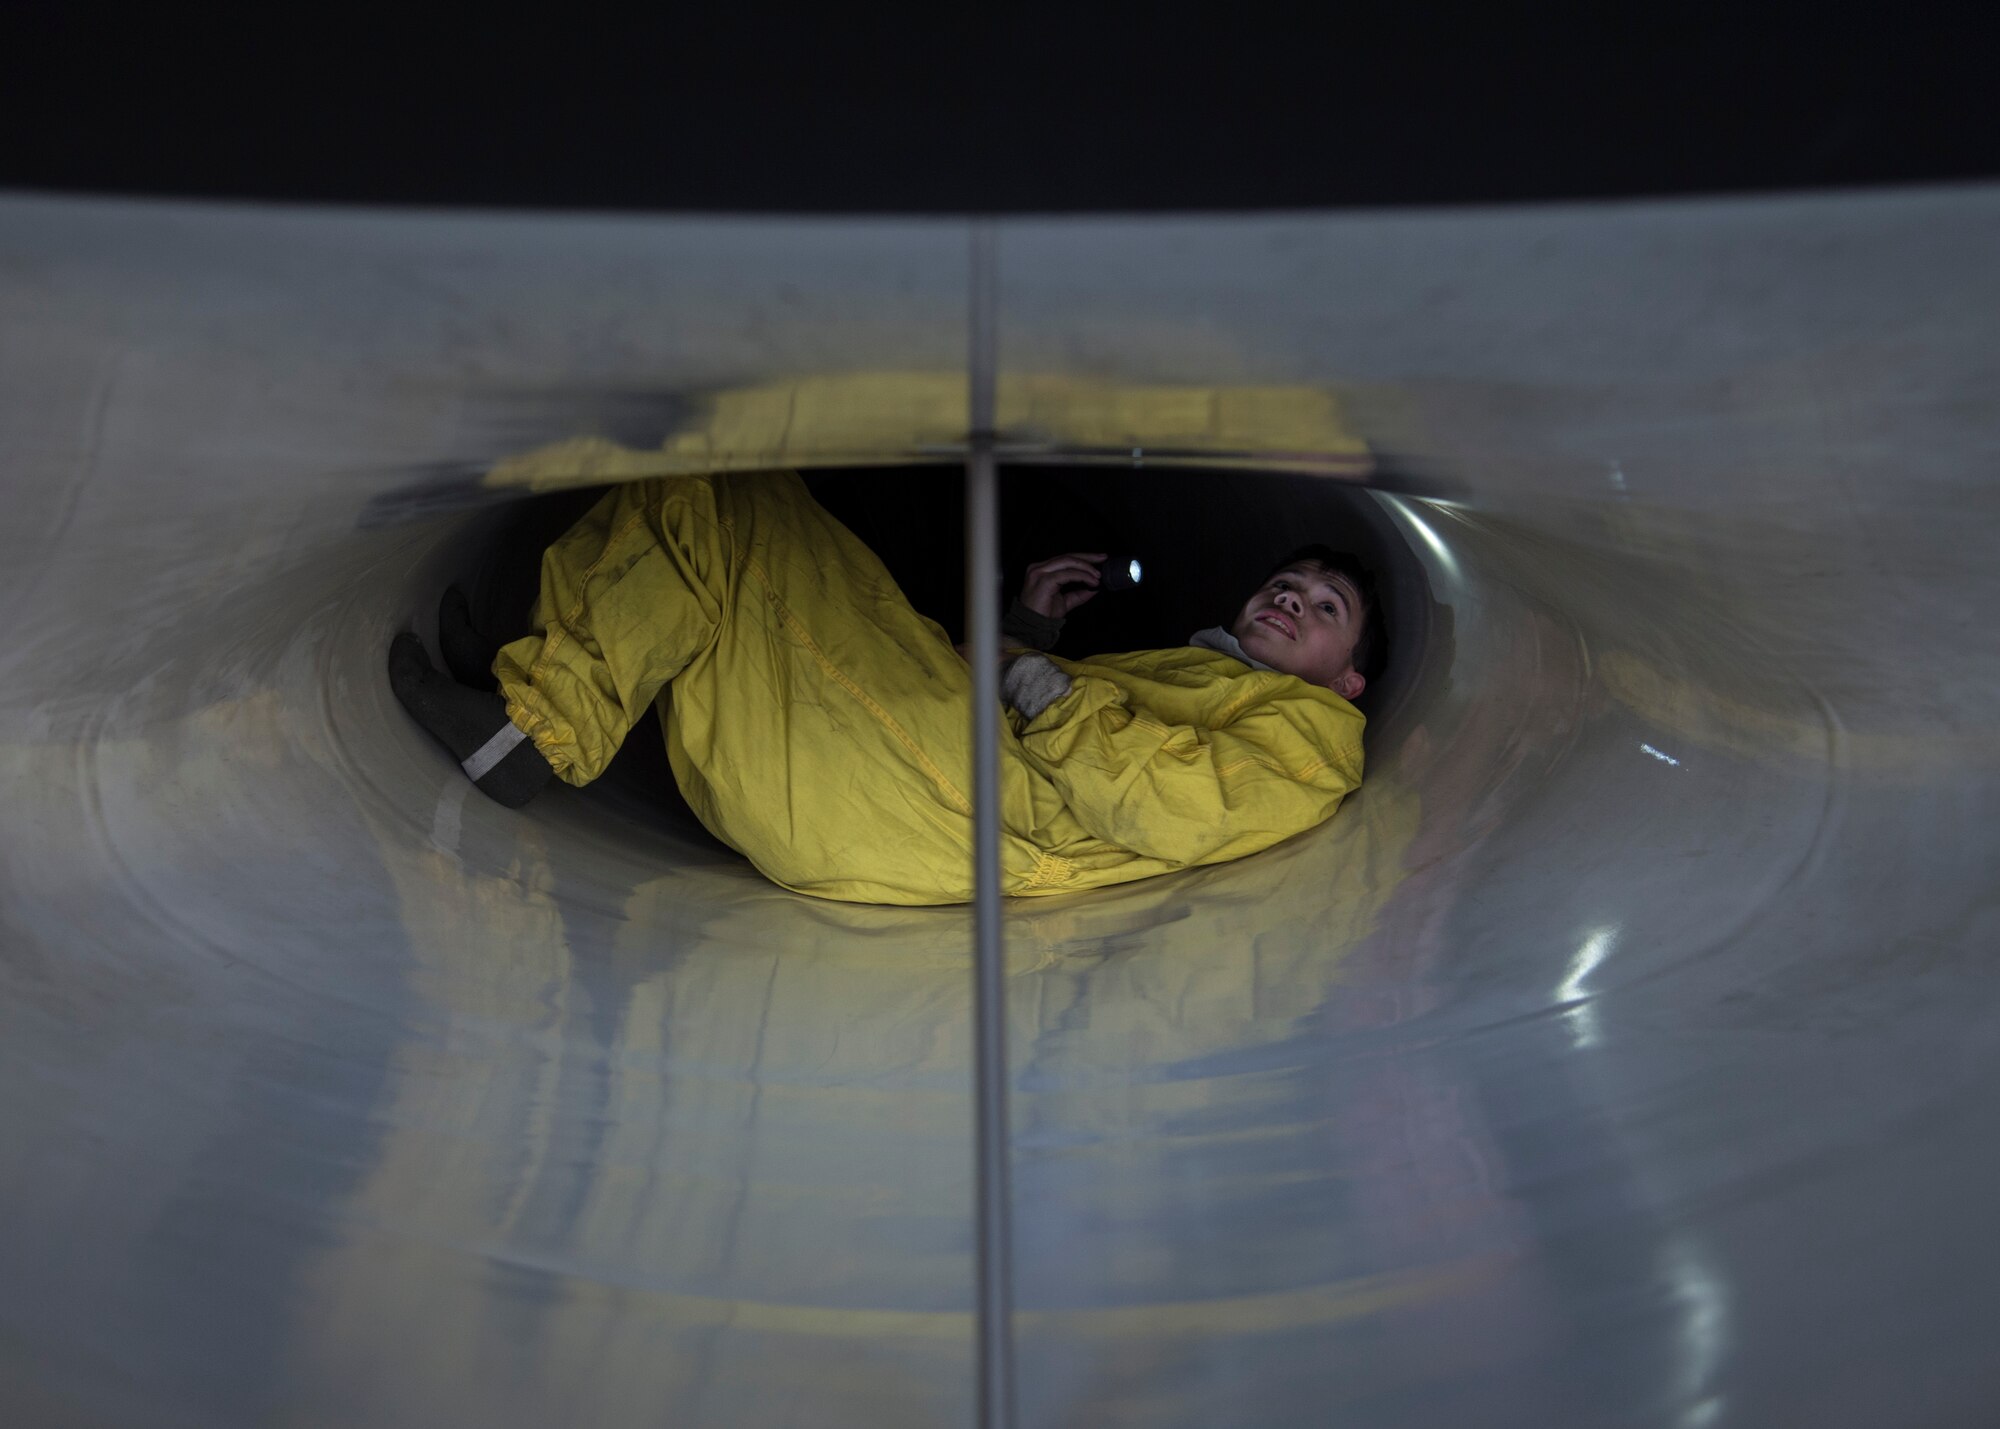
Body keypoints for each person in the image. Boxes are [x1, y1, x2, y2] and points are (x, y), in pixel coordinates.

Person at [388, 469, 1382, 906]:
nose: (1292, 601)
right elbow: (1022, 705)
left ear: (1348, 680)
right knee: (737, 493)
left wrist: (1043, 679)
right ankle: (534, 682)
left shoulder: (1314, 739)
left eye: (1324, 606)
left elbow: (1166, 799)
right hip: (918, 779)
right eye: (1285, 585)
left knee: (721, 499)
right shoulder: (1210, 676)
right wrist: (1027, 634)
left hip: (926, 807)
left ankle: (534, 725)